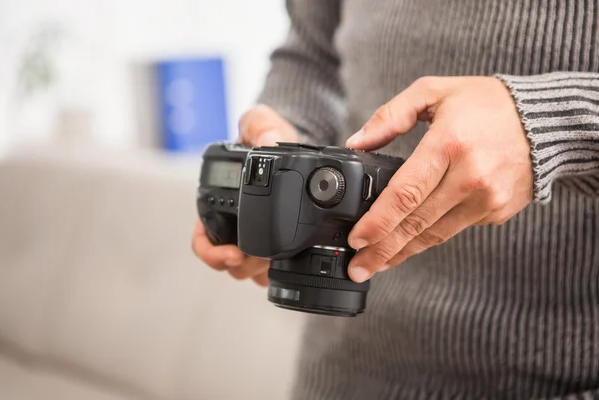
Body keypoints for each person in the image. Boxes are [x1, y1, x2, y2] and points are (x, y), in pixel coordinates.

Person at [193, 1, 599, 398]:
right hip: (341, 368)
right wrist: (281, 143)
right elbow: (311, 53)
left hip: (555, 378)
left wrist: (554, 123)